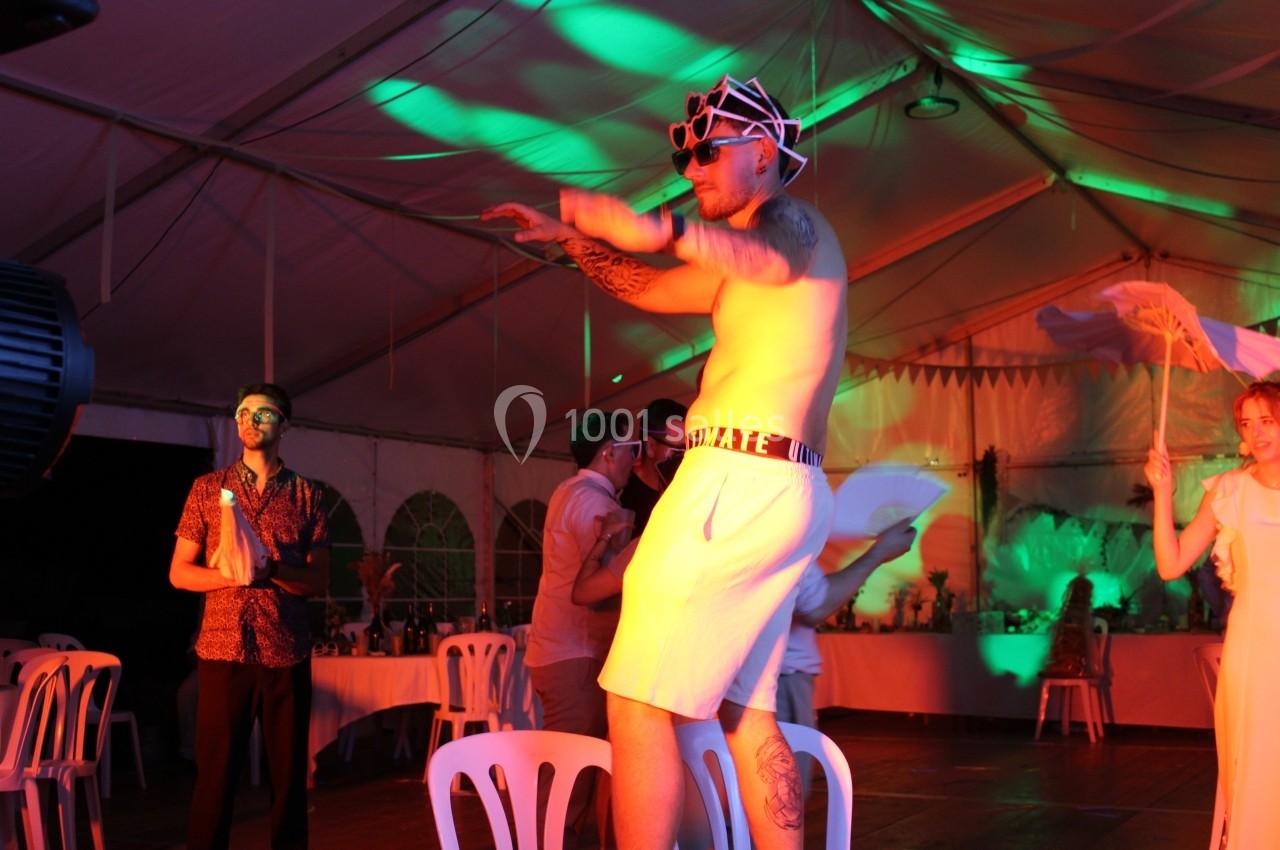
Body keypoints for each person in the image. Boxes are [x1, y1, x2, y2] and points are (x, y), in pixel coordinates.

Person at [483, 74, 846, 850]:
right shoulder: (746, 257)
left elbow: (769, 259)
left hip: (736, 483)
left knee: (636, 702)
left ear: (761, 151)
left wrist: (654, 225)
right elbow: (646, 288)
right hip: (786, 487)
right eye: (686, 158)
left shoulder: (790, 224)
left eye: (708, 153)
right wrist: (575, 241)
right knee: (749, 713)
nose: (691, 170)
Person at [170, 383, 330, 850]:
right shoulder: (208, 489)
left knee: (289, 784)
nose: (250, 420)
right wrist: (231, 575)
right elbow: (179, 572)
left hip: (286, 652)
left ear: (284, 424)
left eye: (262, 413)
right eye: (243, 413)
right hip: (224, 650)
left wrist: (271, 570)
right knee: (215, 781)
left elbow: (319, 580)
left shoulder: (307, 495)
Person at [1144, 380, 1280, 849]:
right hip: (1255, 646)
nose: (1257, 432)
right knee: (1258, 765)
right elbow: (1171, 564)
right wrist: (1163, 491)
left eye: (1267, 420)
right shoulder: (1230, 489)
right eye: (1247, 423)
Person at [526, 409, 636, 846]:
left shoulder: (567, 491)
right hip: (577, 652)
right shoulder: (597, 505)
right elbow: (603, 585)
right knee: (567, 784)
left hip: (558, 649)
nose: (635, 458)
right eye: (631, 449)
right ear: (609, 452)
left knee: (568, 774)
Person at [777, 517, 918, 797]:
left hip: (758, 674)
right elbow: (813, 604)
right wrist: (878, 553)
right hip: (781, 676)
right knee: (782, 797)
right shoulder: (777, 527)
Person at [619, 397, 687, 534]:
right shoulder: (626, 504)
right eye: (678, 450)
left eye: (689, 448)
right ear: (650, 446)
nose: (685, 456)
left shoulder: (682, 489)